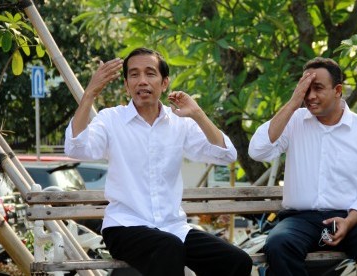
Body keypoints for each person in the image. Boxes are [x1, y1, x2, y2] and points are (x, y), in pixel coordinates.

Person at [64, 47, 252, 276]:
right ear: (126, 85)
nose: (142, 81)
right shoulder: (111, 119)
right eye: (134, 75)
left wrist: (198, 114)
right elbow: (75, 147)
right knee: (168, 248)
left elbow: (227, 155)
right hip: (124, 227)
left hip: (174, 228)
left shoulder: (179, 121)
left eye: (150, 73)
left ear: (164, 83)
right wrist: (90, 93)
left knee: (237, 261)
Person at [248, 57, 357, 276]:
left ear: (338, 90)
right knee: (279, 244)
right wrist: (292, 103)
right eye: (305, 89)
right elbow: (257, 150)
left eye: (317, 88)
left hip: (350, 219)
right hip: (300, 220)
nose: (310, 96)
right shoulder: (294, 121)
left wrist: (349, 221)